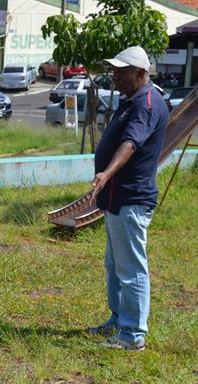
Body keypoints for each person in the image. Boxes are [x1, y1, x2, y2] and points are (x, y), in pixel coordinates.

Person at [88, 46, 169, 352]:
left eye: (121, 72)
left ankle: (132, 334)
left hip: (131, 198)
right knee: (115, 264)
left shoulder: (146, 104)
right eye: (114, 71)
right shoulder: (132, 100)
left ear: (139, 74)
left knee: (131, 268)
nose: (115, 77)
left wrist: (106, 173)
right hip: (116, 199)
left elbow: (131, 143)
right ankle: (119, 319)